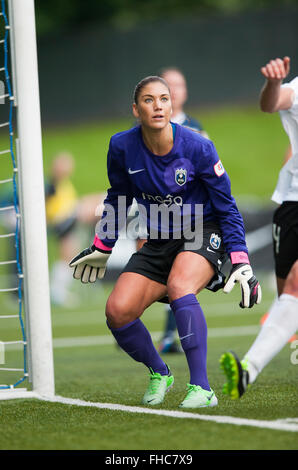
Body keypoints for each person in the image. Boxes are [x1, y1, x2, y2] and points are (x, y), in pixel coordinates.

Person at [69, 75, 261, 408]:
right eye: (148, 100)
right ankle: (161, 372)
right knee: (117, 311)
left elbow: (227, 206)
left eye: (163, 99)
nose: (157, 106)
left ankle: (202, 388)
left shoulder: (198, 146)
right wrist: (103, 247)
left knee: (180, 285)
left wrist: (240, 260)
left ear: (172, 106)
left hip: (202, 229)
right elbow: (118, 199)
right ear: (135, 109)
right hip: (158, 239)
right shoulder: (121, 146)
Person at [220, 56, 298, 399]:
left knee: (295, 287)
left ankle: (247, 370)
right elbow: (272, 103)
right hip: (292, 205)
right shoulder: (296, 88)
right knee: (288, 296)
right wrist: (272, 83)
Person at [137, 67, 209, 354]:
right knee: (145, 266)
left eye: (180, 85)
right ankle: (131, 321)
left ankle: (169, 335)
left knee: (180, 277)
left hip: (186, 213)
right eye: (170, 86)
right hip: (151, 210)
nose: (176, 91)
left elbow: (208, 167)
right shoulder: (144, 127)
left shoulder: (195, 126)